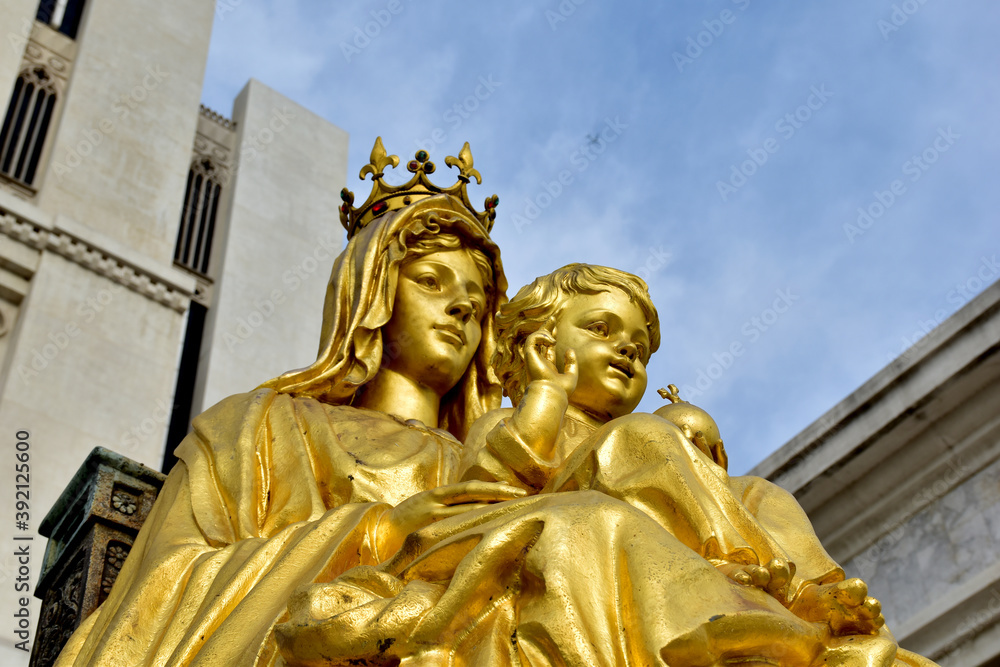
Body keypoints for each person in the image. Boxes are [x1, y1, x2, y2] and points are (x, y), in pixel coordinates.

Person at [276, 264, 935, 667]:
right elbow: (507, 472)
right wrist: (549, 392)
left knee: (761, 490)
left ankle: (809, 592)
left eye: (639, 348)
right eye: (602, 329)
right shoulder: (520, 417)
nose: (626, 351)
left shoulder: (644, 429)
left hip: (671, 533)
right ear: (538, 345)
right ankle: (736, 589)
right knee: (622, 468)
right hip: (520, 522)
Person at [54, 187, 524, 666]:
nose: (461, 308)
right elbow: (161, 587)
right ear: (369, 293)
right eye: (430, 281)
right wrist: (378, 533)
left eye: (475, 302)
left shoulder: (495, 458)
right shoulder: (258, 423)